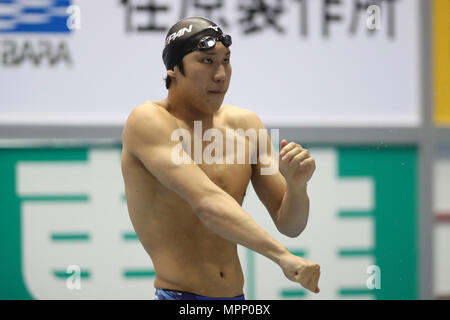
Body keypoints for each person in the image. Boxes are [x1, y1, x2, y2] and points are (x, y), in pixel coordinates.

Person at [121, 16, 320, 300]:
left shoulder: (248, 127)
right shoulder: (148, 122)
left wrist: (297, 187)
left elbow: (291, 225)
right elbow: (207, 202)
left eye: (226, 60)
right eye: (206, 61)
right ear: (173, 69)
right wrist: (283, 257)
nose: (221, 74)